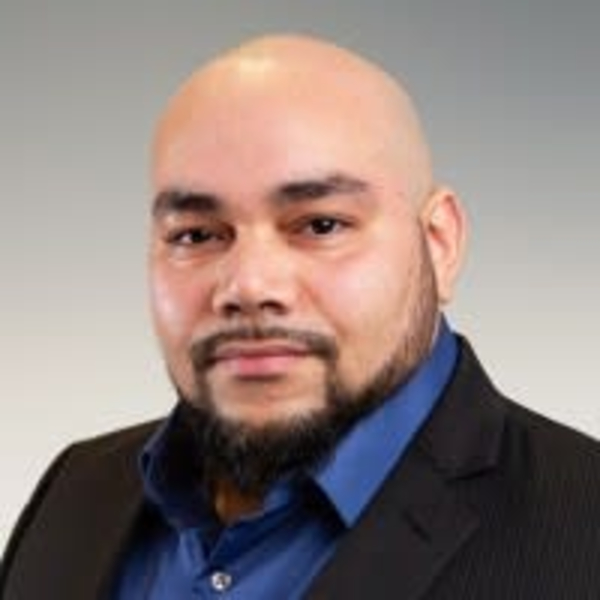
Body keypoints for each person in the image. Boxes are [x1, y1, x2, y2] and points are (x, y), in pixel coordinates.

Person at [2, 33, 600, 600]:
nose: (248, 286)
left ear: (439, 244)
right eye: (196, 234)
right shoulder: (75, 494)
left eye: (321, 225)